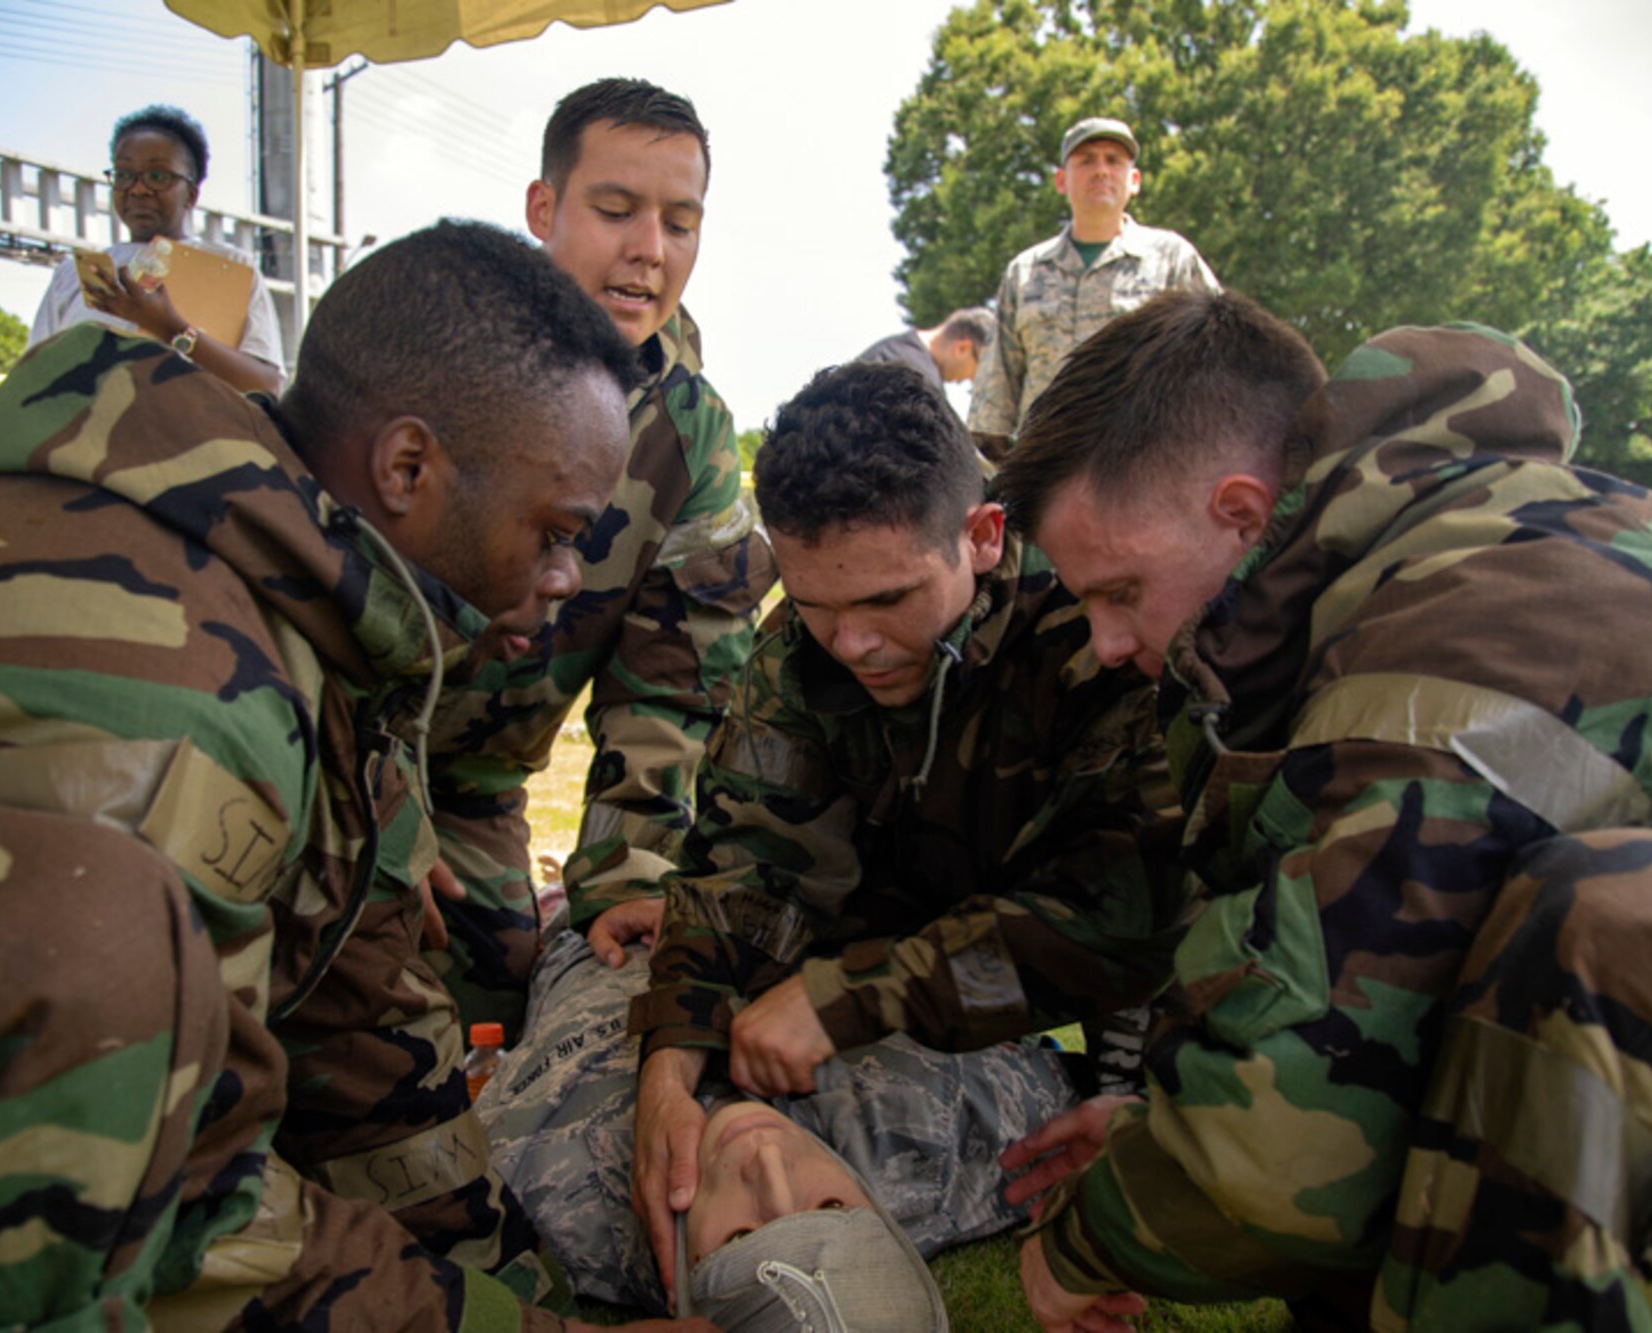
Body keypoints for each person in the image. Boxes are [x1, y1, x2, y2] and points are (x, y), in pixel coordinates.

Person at [0, 221, 709, 1333]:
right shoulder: (163, 692)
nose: (568, 580)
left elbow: (361, 1039)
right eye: (556, 532)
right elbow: (167, 1204)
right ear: (408, 467)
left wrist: (513, 1286)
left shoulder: (305, 621)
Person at [993, 289, 1652, 1330]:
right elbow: (1389, 998)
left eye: (1116, 592)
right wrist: (1156, 1128)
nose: (1101, 642)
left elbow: (1292, 1149)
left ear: (1238, 511)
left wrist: (1084, 1238)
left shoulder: (1475, 630)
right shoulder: (1419, 574)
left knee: (1610, 933)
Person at [626, 360, 1194, 1296]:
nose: (851, 644)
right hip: (907, 950)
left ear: (981, 537)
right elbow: (743, 867)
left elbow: (1123, 913)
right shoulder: (800, 650)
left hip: (1085, 979)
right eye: (816, 605)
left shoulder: (1097, 615)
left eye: (886, 602)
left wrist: (846, 996)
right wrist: (667, 1068)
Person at [425, 77, 774, 1046]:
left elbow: (671, 684)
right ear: (543, 210)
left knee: (489, 1005)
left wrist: (631, 874)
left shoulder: (690, 434)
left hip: (473, 789)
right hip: (326, 758)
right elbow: (310, 601)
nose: (648, 252)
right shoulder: (429, 352)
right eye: (614, 210)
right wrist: (367, 812)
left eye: (680, 222)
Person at [476, 929, 1083, 1325]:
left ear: (676, 1295)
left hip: (596, 944)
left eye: (740, 1238)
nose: (766, 1159)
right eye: (830, 1203)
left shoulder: (524, 1192)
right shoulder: (954, 1131)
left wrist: (593, 909)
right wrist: (707, 917)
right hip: (759, 915)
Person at [968, 116, 1216, 461]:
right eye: (1086, 160)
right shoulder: (1025, 272)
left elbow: (1222, 361)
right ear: (1061, 180)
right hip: (1045, 479)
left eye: (1113, 160)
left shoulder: (1173, 259)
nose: (1101, 170)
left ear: (1135, 180)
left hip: (1144, 471)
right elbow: (994, 400)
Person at [27, 104, 285, 396]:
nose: (138, 189)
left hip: (191, 440)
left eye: (158, 176)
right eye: (124, 174)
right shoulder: (72, 275)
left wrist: (169, 328)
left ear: (191, 193)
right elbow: (32, 379)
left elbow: (266, 385)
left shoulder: (232, 269)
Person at [852, 308, 995, 393]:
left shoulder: (890, 350)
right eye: (975, 375)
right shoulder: (920, 381)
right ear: (963, 348)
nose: (965, 381)